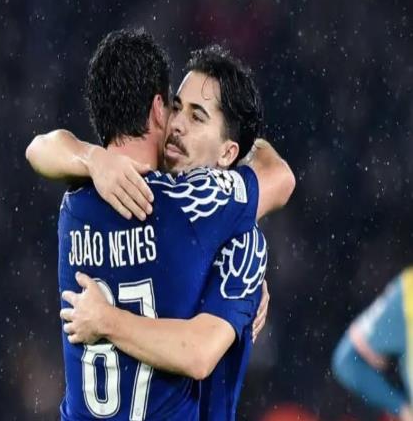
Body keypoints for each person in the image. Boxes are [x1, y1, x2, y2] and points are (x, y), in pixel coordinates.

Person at [26, 29, 295, 420]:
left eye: (196, 116)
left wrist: (90, 158)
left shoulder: (77, 201)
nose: (177, 124)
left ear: (228, 153)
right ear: (158, 109)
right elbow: (279, 175)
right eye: (176, 107)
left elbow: (39, 147)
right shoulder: (226, 226)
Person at [332, 267, 413, 421]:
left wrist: (400, 407)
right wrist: (400, 407)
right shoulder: (408, 291)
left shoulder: (408, 290)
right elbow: (347, 361)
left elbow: (346, 361)